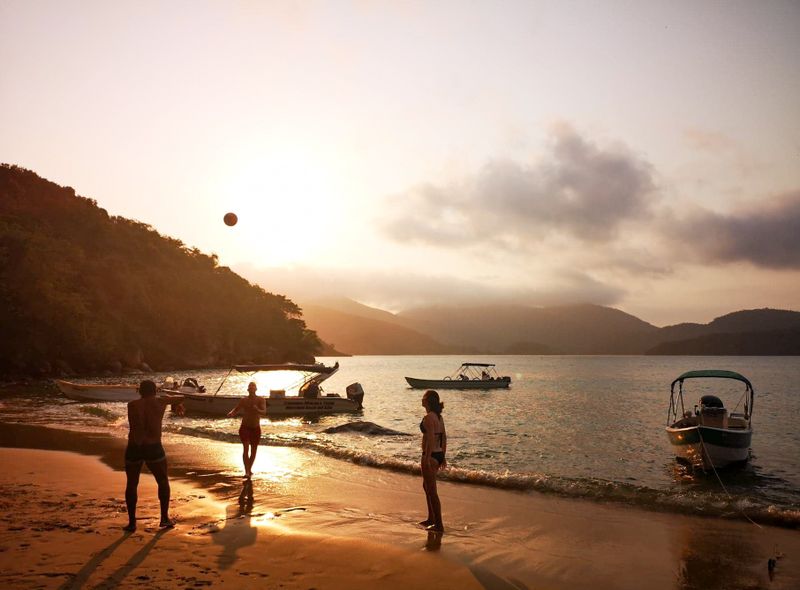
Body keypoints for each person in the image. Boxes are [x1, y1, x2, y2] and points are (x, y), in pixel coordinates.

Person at [124, 379, 184, 532]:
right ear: (155, 391)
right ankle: (164, 518)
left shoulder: (132, 405)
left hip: (134, 446)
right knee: (162, 481)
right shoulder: (160, 402)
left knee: (132, 483)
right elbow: (181, 397)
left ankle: (132, 523)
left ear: (140, 391)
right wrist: (175, 402)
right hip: (153, 446)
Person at [419, 389, 447, 532]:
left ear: (428, 401)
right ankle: (431, 518)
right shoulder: (439, 417)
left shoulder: (429, 417)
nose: (422, 399)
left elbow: (430, 437)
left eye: (424, 397)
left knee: (432, 491)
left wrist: (427, 457)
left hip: (430, 455)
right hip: (438, 454)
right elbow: (444, 437)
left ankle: (439, 524)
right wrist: (443, 456)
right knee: (426, 487)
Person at [227, 381, 267, 479]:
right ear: (248, 389)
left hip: (255, 428)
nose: (252, 388)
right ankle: (247, 471)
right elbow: (236, 409)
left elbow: (264, 412)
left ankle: (249, 469)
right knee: (245, 448)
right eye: (250, 386)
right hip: (245, 427)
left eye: (253, 386)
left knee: (253, 451)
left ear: (256, 389)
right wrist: (231, 413)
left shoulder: (261, 399)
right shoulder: (244, 400)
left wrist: (257, 409)